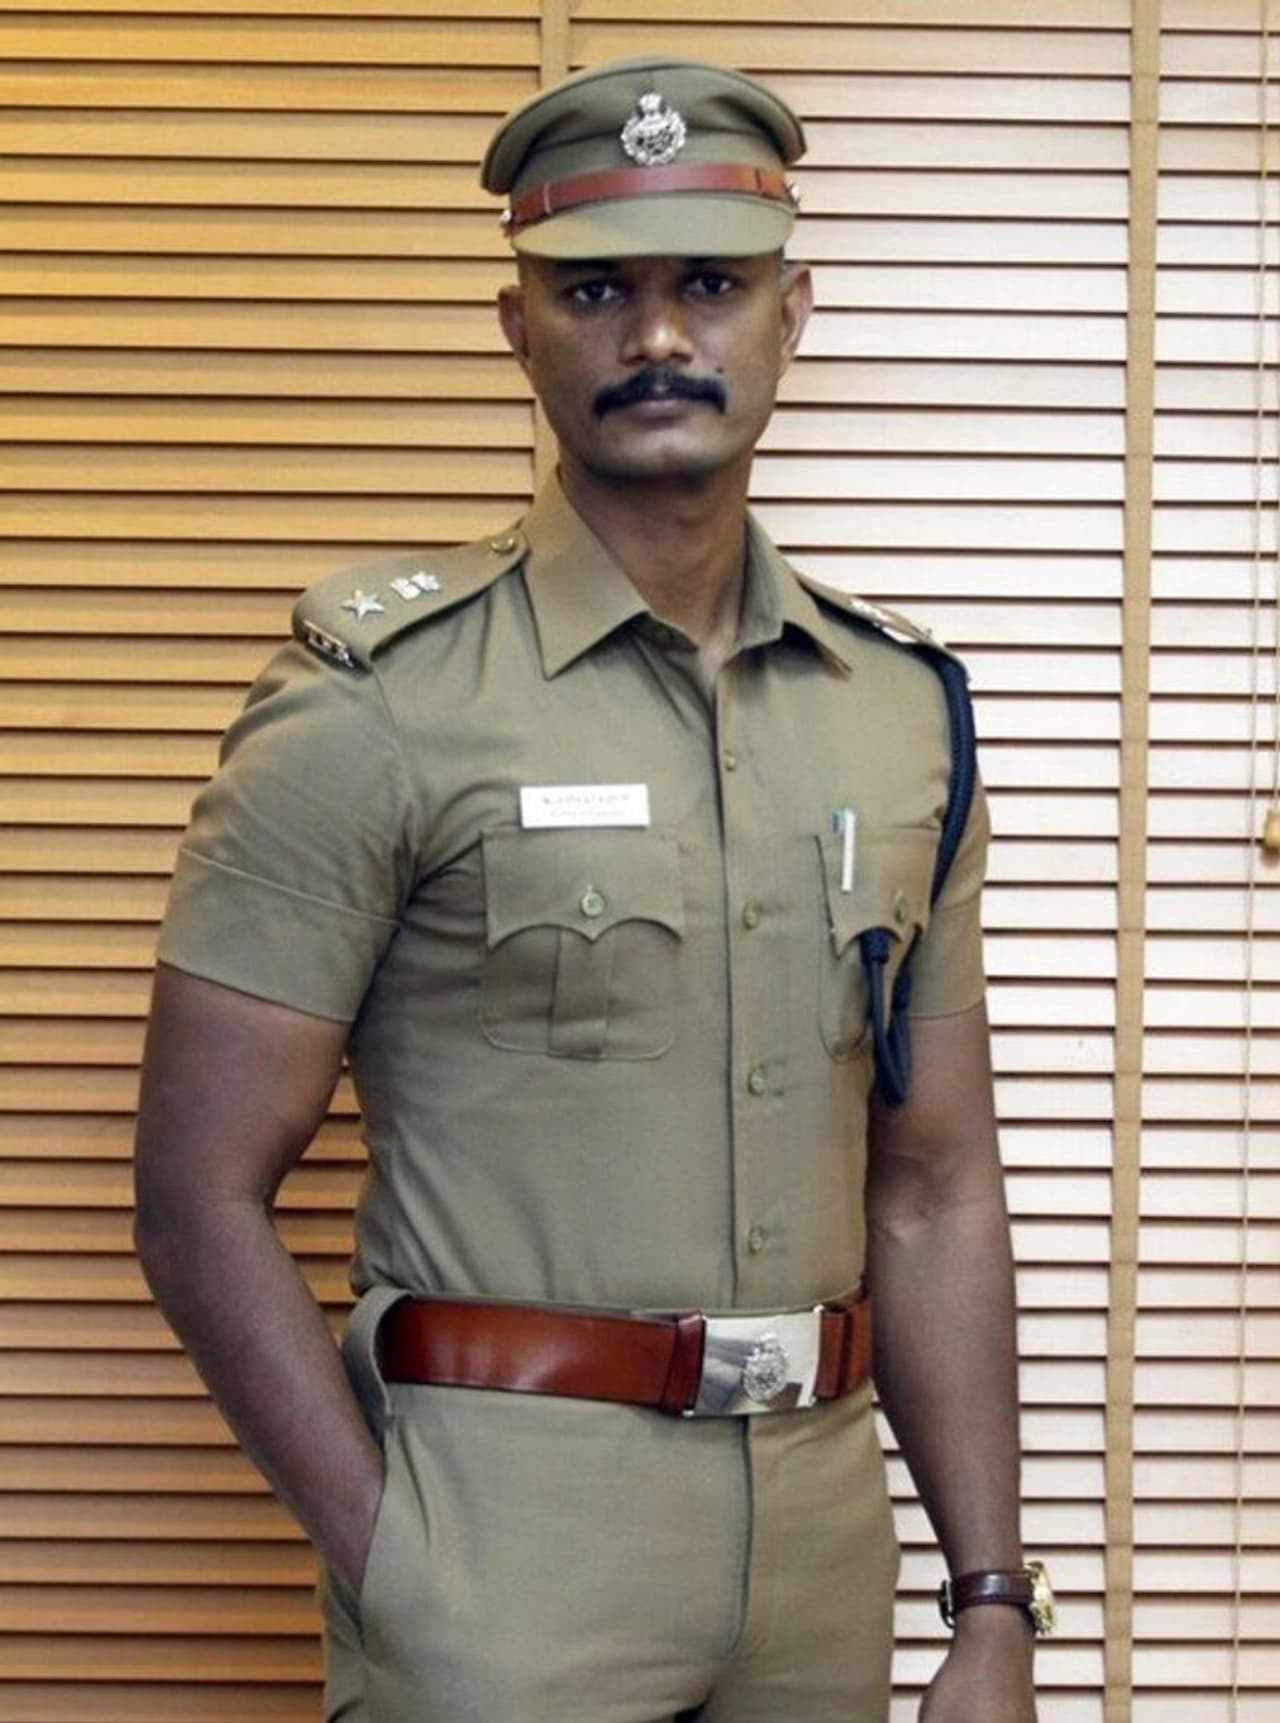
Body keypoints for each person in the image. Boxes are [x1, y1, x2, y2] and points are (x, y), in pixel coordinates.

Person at [133, 54, 1050, 1723]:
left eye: (712, 283)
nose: (658, 338)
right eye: (596, 292)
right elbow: (197, 1193)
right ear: (519, 329)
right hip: (504, 1549)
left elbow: (933, 1188)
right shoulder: (378, 703)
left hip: (821, 1555)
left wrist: (990, 1601)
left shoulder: (901, 711)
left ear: (792, 314)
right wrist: (393, 1565)